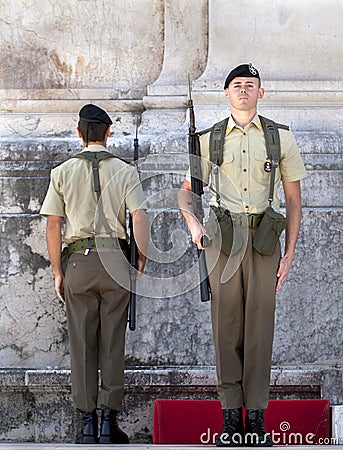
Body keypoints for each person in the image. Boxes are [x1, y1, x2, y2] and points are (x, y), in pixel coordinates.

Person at [179, 64, 307, 447]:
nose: (244, 91)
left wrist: (290, 255)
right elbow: (186, 192)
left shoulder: (280, 138)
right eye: (237, 85)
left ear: (261, 93)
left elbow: (294, 200)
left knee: (259, 328)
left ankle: (256, 418)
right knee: (227, 326)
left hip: (266, 240)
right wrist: (195, 227)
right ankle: (231, 417)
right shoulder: (208, 139)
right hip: (223, 238)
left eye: (251, 85)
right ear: (227, 93)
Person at [40, 104, 149, 444]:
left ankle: (87, 422)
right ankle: (108, 422)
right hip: (116, 260)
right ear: (108, 133)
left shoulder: (62, 172)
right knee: (113, 344)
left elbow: (54, 224)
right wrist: (140, 258)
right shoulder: (126, 171)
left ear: (79, 133)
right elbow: (140, 218)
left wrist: (58, 272)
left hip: (78, 262)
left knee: (82, 344)